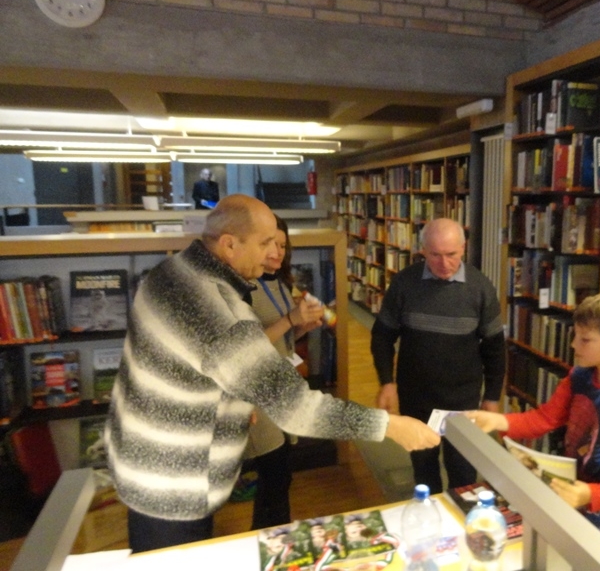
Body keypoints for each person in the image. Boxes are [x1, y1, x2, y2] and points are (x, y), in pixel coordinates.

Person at [105, 194, 440, 553]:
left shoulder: (172, 270)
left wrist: (232, 395)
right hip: (171, 484)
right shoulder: (218, 310)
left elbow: (188, 361)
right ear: (229, 245)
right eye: (265, 243)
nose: (272, 253)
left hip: (144, 458)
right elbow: (295, 408)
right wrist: (388, 426)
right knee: (173, 557)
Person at [466, 291, 600, 544]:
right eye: (575, 336)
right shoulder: (580, 375)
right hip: (574, 503)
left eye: (585, 340)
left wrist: (592, 494)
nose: (573, 345)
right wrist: (499, 421)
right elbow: (546, 418)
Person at [371, 217, 505, 495]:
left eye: (451, 254)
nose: (444, 263)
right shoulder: (404, 283)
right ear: (423, 251)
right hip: (416, 395)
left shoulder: (480, 287)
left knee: (463, 472)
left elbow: (494, 347)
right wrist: (387, 382)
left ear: (463, 248)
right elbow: (382, 336)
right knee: (423, 469)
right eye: (435, 255)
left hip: (462, 399)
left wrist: (491, 396)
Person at [245, 214, 321, 530]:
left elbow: (281, 341)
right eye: (269, 244)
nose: (277, 252)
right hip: (257, 395)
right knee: (275, 475)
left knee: (279, 476)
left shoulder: (278, 282)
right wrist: (291, 320)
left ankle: (270, 537)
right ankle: (274, 540)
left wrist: (302, 327)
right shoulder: (242, 287)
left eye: (282, 245)